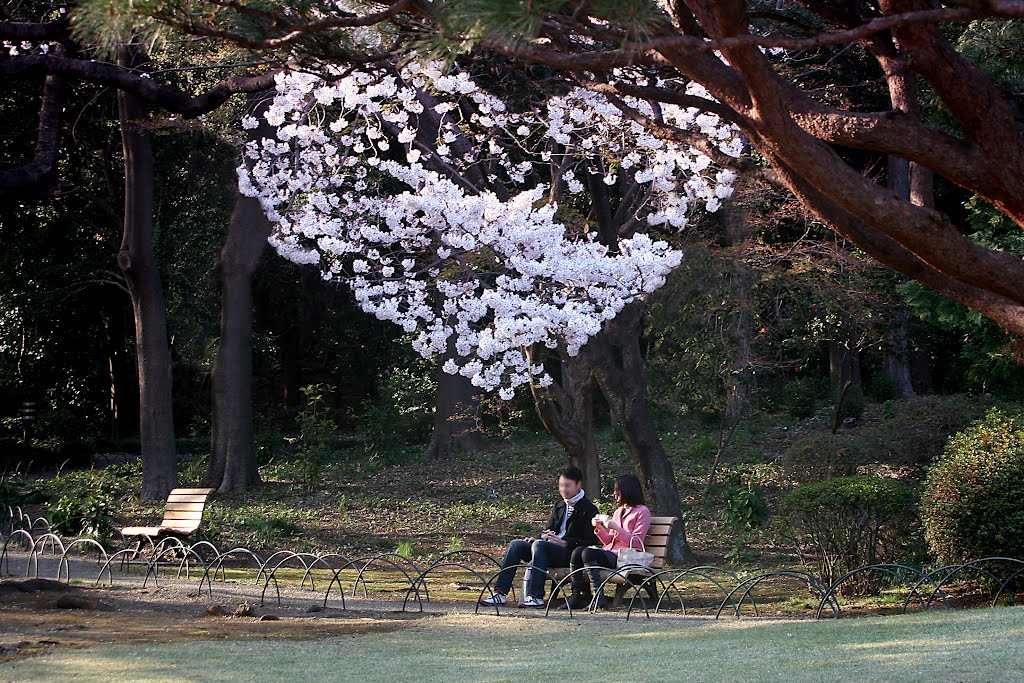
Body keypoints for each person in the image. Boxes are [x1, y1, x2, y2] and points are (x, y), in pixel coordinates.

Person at [479, 465, 599, 608]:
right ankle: (500, 593)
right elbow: (550, 530)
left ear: (578, 485)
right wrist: (539, 537)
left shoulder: (589, 509)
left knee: (540, 546)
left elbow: (590, 541)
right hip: (546, 549)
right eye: (561, 485)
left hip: (570, 554)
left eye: (567, 486)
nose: (563, 490)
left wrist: (565, 542)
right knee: (516, 545)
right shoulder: (559, 505)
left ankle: (536, 597)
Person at [565, 473, 651, 609]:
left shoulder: (642, 512)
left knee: (588, 553)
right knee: (577, 552)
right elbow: (609, 541)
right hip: (610, 552)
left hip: (625, 556)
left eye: (617, 491)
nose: (614, 495)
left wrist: (616, 527)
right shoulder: (618, 511)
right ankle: (576, 595)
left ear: (627, 491)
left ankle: (598, 598)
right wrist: (599, 528)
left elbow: (636, 542)